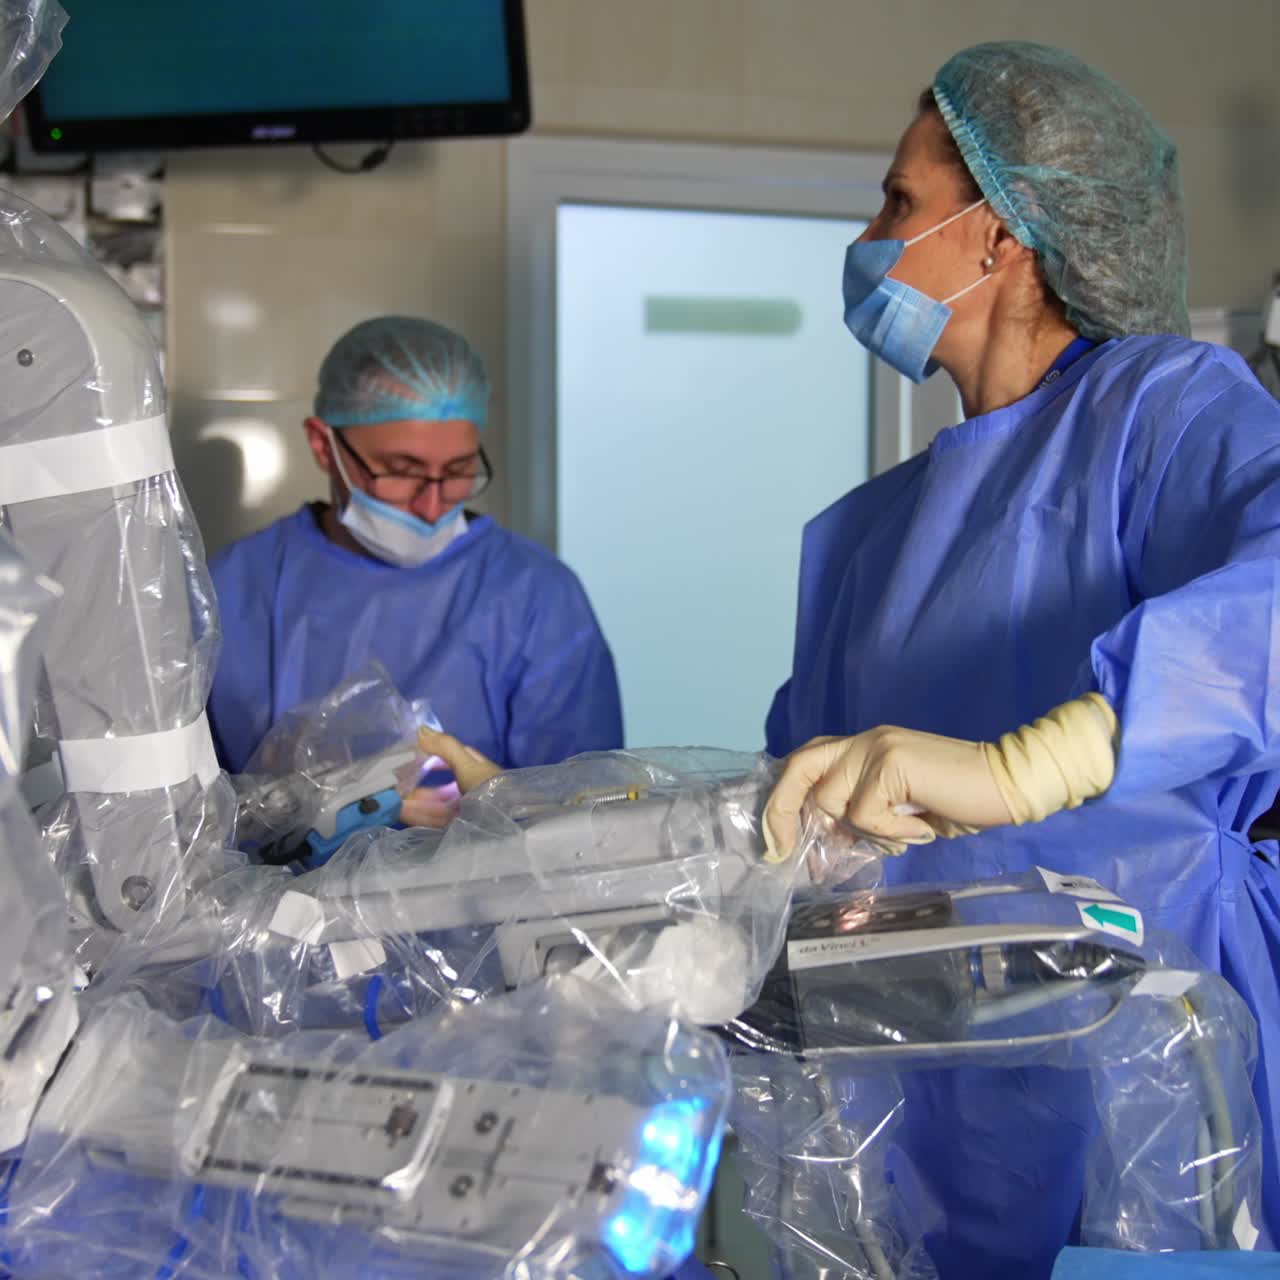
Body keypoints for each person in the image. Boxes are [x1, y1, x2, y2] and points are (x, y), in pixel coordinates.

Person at [755, 40, 1280, 1278]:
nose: (871, 236)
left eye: (898, 203)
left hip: (1146, 1063)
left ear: (998, 235)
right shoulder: (869, 535)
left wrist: (1033, 762)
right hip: (912, 1091)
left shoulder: (1166, 409)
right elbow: (795, 811)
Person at [207, 316, 623, 822]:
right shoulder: (230, 590)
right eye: (401, 472)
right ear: (324, 446)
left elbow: (585, 822)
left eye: (457, 472)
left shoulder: (536, 596)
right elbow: (187, 823)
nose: (431, 505)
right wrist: (317, 814)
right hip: (269, 902)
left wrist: (498, 813)